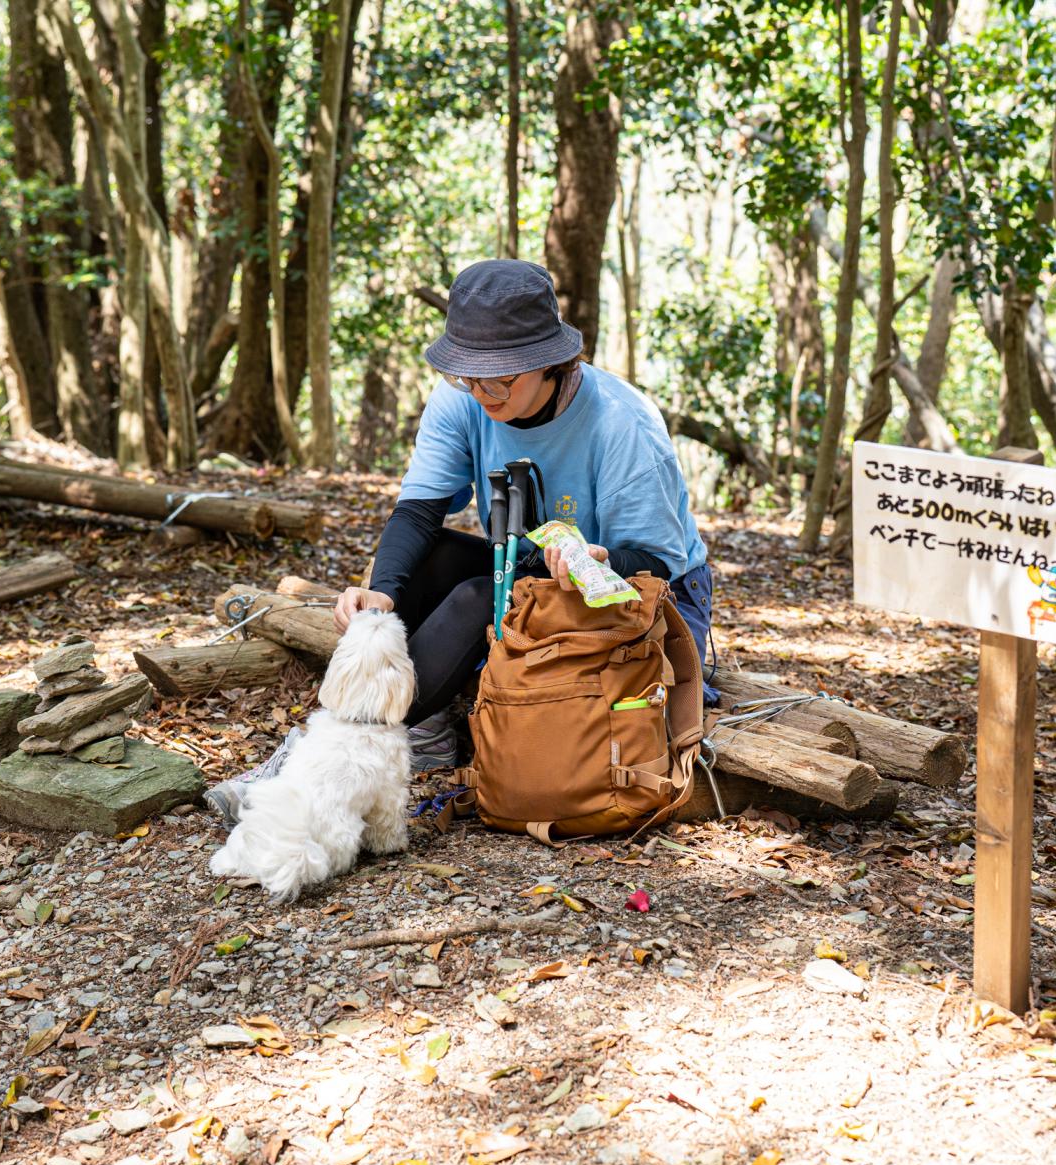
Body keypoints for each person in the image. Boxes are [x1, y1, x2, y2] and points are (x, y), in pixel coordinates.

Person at [206, 259, 713, 820]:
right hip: (531, 572)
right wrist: (382, 592)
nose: (481, 392)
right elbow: (419, 513)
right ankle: (417, 729)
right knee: (432, 562)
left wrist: (600, 558)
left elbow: (657, 564)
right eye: (467, 374)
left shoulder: (623, 424)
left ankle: (318, 761)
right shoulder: (463, 400)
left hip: (640, 588)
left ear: (548, 362)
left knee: (480, 599)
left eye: (499, 377)